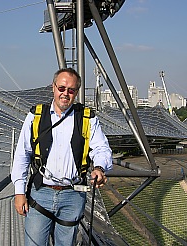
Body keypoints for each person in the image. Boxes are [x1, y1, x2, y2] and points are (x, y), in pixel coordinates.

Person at [11, 67, 112, 246]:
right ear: (53, 87)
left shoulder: (87, 119)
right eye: (62, 88)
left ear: (76, 92)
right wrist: (19, 192)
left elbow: (102, 149)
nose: (65, 94)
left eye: (71, 90)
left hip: (72, 196)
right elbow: (22, 155)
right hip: (40, 194)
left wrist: (99, 168)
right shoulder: (36, 116)